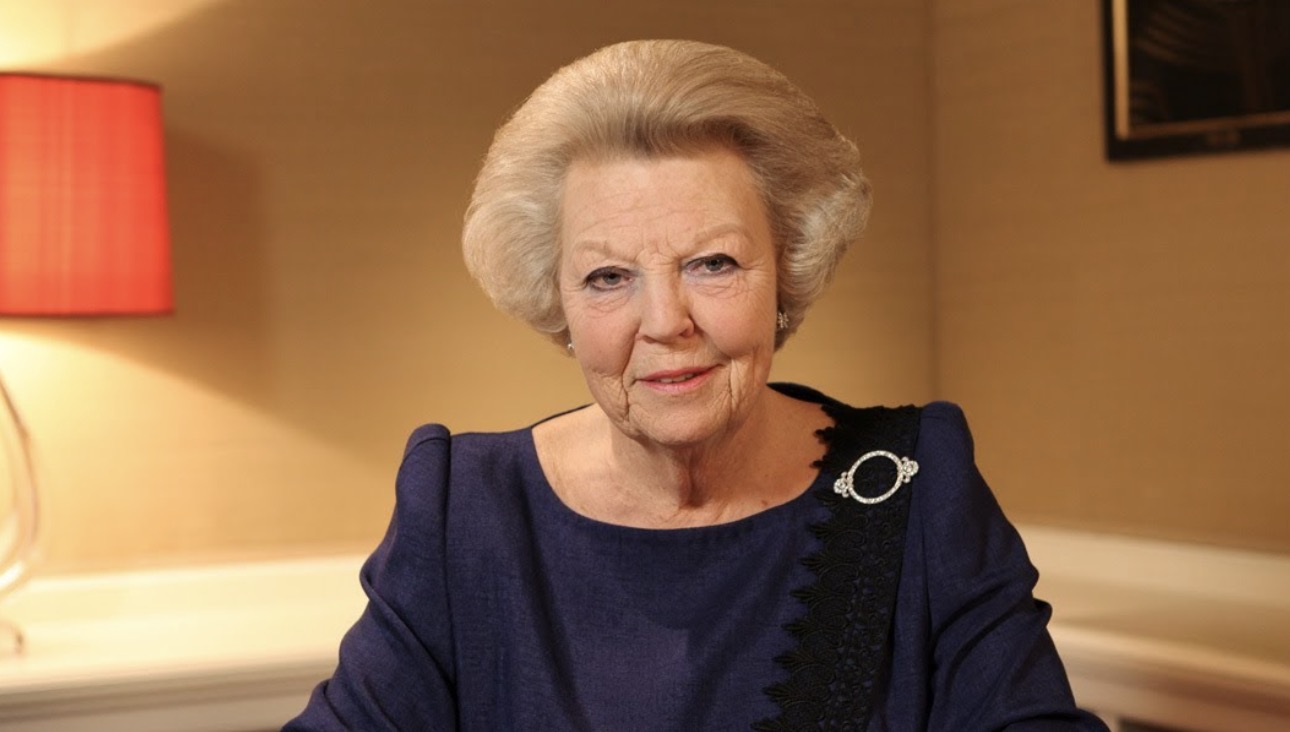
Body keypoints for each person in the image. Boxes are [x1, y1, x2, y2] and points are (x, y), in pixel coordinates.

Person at [285, 40, 1107, 731]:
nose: (665, 320)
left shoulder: (915, 484)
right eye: (608, 277)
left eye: (712, 263)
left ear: (785, 272)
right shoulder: (463, 507)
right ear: (557, 300)